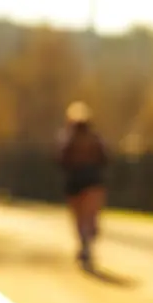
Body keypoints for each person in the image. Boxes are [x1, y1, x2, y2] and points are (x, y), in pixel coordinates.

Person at [59, 102, 108, 268]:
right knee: (89, 216)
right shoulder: (95, 138)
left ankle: (85, 244)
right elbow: (105, 158)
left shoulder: (68, 138)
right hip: (92, 179)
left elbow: (60, 159)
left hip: (76, 180)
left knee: (80, 218)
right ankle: (87, 244)